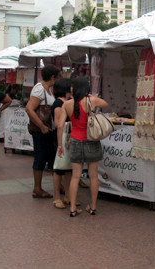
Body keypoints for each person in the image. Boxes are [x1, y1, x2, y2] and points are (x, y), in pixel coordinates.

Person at [57, 76, 109, 217]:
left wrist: (59, 145)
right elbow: (105, 104)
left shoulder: (67, 104)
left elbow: (60, 125)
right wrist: (91, 96)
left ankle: (72, 208)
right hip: (91, 140)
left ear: (74, 89)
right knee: (93, 176)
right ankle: (92, 207)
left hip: (75, 141)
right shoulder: (91, 101)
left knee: (75, 176)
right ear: (86, 88)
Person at [25, 64, 60, 199]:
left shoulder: (47, 90)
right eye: (57, 77)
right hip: (41, 131)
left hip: (46, 130)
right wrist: (41, 126)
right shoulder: (40, 89)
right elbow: (29, 108)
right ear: (52, 77)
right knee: (40, 156)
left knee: (50, 156)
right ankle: (37, 188)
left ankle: (57, 186)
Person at [51, 78, 75, 209]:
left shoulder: (67, 102)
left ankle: (67, 195)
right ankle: (57, 197)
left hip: (67, 138)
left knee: (68, 169)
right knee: (59, 168)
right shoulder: (59, 103)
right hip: (61, 138)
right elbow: (57, 123)